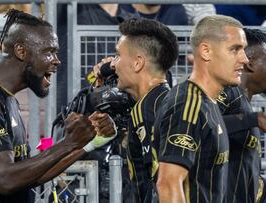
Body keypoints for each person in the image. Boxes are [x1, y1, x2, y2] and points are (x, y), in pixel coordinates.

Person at [0, 9, 117, 203]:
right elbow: (6, 180)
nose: (57, 61)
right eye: (49, 52)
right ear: (21, 51)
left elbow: (29, 176)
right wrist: (68, 143)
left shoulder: (5, 98)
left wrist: (88, 144)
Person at [155, 15, 248, 203]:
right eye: (234, 49)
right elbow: (168, 184)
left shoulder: (207, 103)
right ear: (206, 51)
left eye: (243, 50)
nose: (245, 59)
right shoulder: (188, 106)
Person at [92, 18, 178, 202]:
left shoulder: (150, 108)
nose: (113, 65)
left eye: (118, 55)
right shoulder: (159, 102)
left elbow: (162, 185)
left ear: (138, 63)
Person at [217, 28, 266, 203]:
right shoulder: (226, 91)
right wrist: (254, 119)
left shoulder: (244, 102)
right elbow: (199, 124)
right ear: (250, 63)